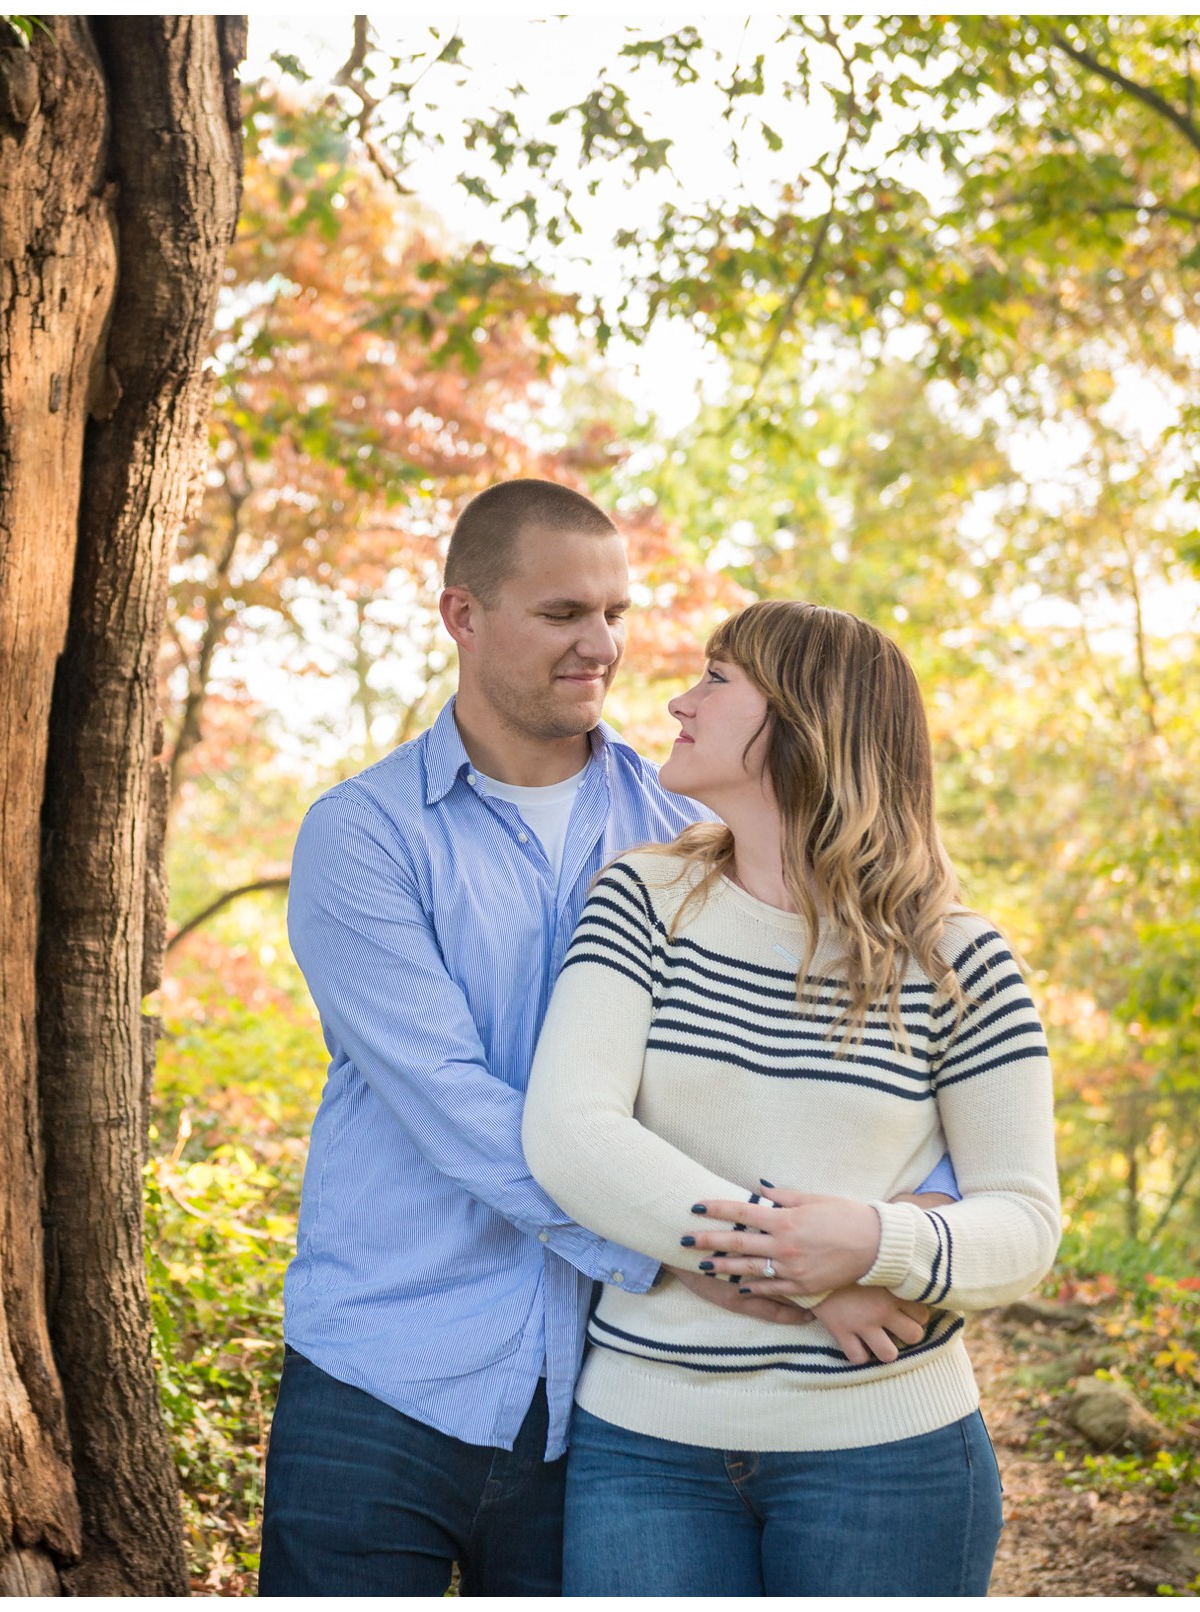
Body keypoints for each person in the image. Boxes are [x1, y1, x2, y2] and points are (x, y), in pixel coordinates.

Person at [260, 483, 955, 1595]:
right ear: (462, 615)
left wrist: (908, 1219)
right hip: (383, 1371)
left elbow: (828, 1032)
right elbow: (455, 1103)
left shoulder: (688, 827)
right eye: (563, 614)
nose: (604, 646)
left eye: (618, 614)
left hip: (602, 1392)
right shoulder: (364, 837)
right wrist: (723, 1255)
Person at [522, 598, 1062, 1596]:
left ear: (808, 721)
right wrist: (812, 1270)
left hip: (891, 1460)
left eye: (718, 679)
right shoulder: (642, 899)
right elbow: (571, 1134)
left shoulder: (961, 959)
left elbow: (1024, 1222)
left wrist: (872, 1242)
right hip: (645, 1451)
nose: (680, 700)